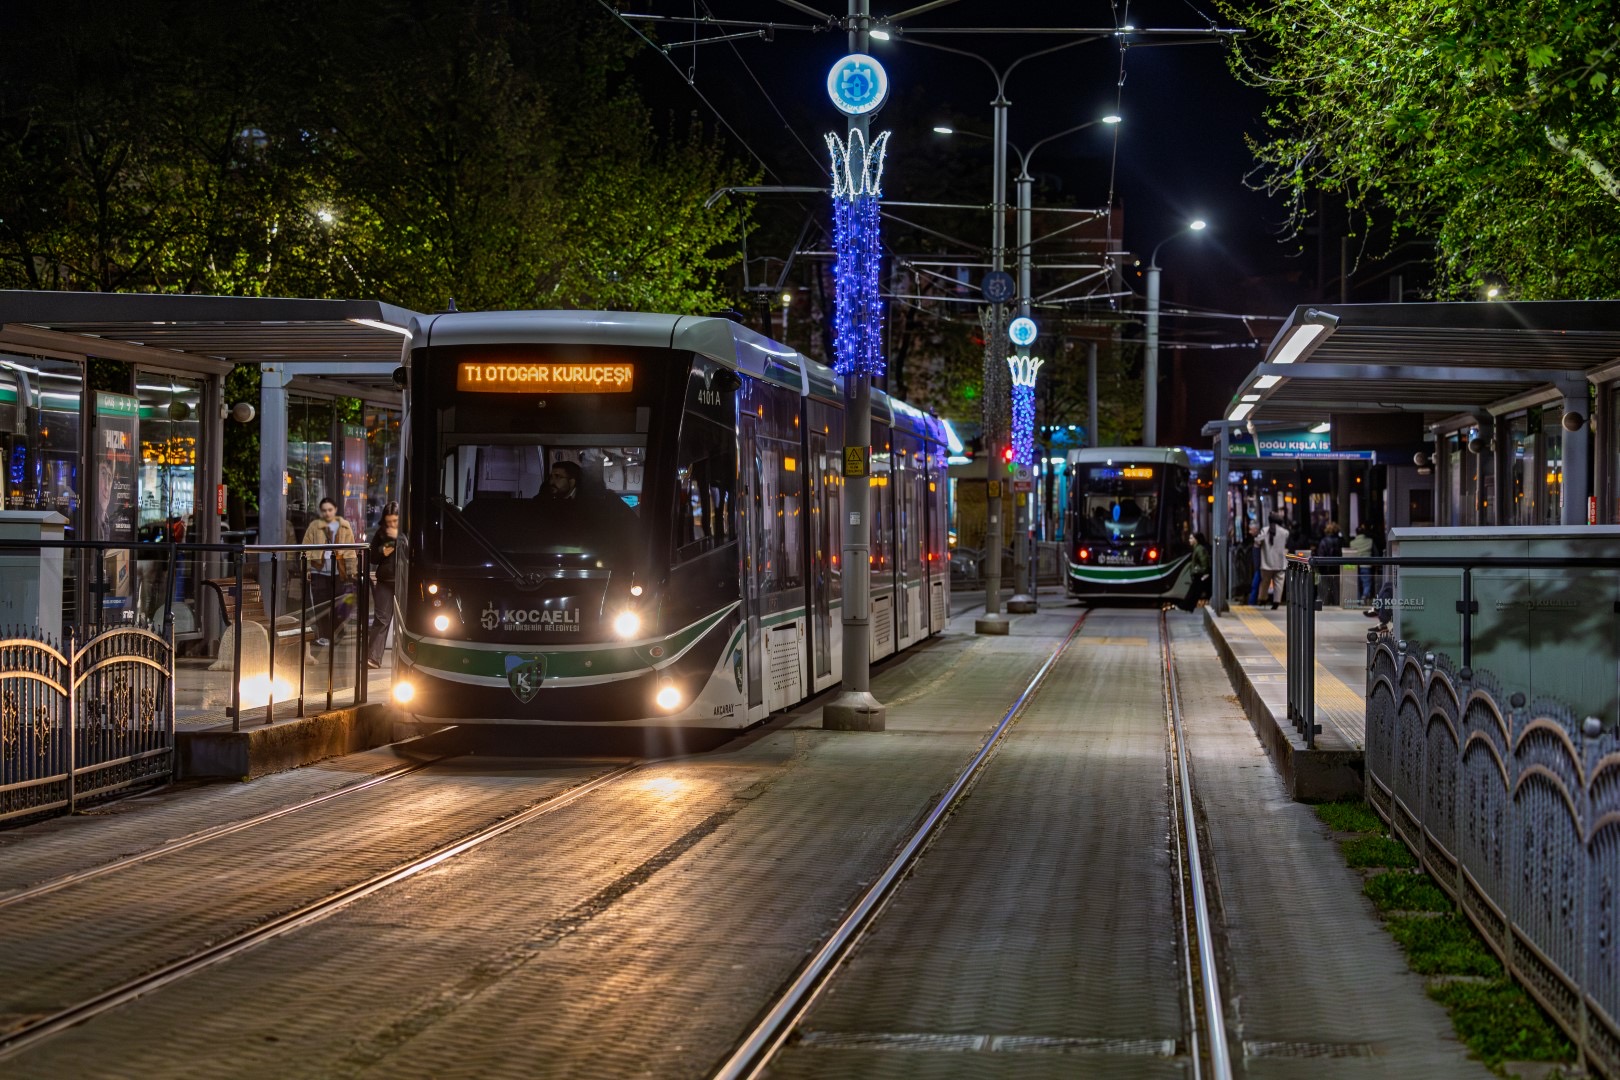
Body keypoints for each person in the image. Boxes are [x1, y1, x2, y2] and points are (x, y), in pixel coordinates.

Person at [301, 497, 357, 647]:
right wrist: (307, 568)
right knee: (321, 606)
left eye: (330, 510)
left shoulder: (344, 527)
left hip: (339, 571)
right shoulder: (315, 527)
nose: (327, 513)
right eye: (324, 510)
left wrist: (352, 572)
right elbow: (305, 548)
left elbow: (350, 551)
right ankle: (325, 635)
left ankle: (337, 632)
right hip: (318, 570)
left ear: (335, 510)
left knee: (339, 604)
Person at [366, 502, 400, 669]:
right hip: (386, 581)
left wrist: (398, 538)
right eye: (389, 522)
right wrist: (383, 550)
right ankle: (373, 657)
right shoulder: (381, 534)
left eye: (395, 521)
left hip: (404, 581)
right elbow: (372, 557)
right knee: (381, 619)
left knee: (408, 621)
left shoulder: (409, 533)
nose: (392, 525)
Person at [1257, 512, 1291, 610]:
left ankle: (1262, 599)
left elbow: (1258, 540)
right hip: (1280, 562)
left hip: (1266, 562)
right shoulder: (1285, 532)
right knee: (1279, 582)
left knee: (1265, 582)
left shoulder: (1265, 530)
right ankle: (1276, 602)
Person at [1180, 531, 1212, 611]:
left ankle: (1186, 606)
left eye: (1191, 538)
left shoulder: (1199, 549)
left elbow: (1204, 562)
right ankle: (1188, 606)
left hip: (1200, 574)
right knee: (1195, 591)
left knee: (1194, 591)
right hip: (1200, 574)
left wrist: (1202, 572)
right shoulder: (1197, 548)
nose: (1189, 540)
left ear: (1196, 540)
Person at [1315, 521, 1344, 605]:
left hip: (1325, 568)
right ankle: (1336, 602)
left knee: (1325, 586)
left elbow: (1321, 554)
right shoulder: (1340, 541)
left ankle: (1325, 602)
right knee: (1336, 586)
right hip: (1337, 567)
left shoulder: (1323, 541)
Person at [1347, 523, 1375, 605]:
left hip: (1354, 566)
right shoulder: (1370, 541)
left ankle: (1358, 600)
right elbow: (1375, 552)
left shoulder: (1352, 543)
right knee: (1366, 582)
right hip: (1366, 565)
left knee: (1356, 583)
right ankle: (1365, 595)